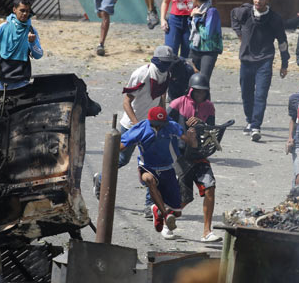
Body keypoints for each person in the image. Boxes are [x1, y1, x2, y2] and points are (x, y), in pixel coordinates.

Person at [93, 45, 175, 219]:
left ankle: (149, 205)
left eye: (169, 63)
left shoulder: (166, 75)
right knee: (121, 160)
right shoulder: (142, 74)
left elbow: (162, 99)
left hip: (152, 126)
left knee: (152, 165)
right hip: (132, 125)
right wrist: (138, 127)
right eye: (165, 63)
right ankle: (100, 178)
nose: (167, 66)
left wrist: (162, 120)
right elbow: (126, 103)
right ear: (157, 61)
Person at [120, 106, 197, 239]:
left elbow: (192, 144)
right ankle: (165, 215)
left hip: (168, 168)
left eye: (162, 125)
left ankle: (158, 212)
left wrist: (192, 137)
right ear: (150, 122)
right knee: (150, 180)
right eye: (156, 125)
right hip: (147, 167)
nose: (159, 128)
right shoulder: (141, 128)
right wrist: (112, 146)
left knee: (177, 212)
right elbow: (121, 145)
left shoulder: (171, 126)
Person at [167, 73, 221, 242]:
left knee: (210, 188)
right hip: (181, 156)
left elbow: (211, 131)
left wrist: (202, 125)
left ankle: (207, 232)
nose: (200, 95)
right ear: (190, 90)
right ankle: (165, 219)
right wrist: (182, 134)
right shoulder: (178, 104)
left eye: (203, 92)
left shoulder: (209, 108)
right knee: (185, 198)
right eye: (196, 92)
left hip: (200, 155)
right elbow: (165, 124)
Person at [231, 0, 290, 141]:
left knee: (261, 94)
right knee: (246, 93)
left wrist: (285, 63)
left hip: (265, 61)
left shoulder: (275, 19)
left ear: (267, 0)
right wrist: (239, 34)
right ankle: (250, 120)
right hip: (246, 60)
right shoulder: (244, 12)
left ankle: (256, 125)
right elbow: (233, 15)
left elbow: (282, 42)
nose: (258, 1)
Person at [0, 0, 43, 90]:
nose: (25, 14)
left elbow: (38, 55)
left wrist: (32, 43)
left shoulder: (31, 31)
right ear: (14, 10)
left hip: (21, 79)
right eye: (22, 10)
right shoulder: (3, 27)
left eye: (27, 11)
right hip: (2, 78)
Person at [188, 0, 223, 79]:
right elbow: (192, 30)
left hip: (208, 51)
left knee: (202, 81)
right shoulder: (196, 10)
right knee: (190, 78)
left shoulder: (212, 12)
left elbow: (206, 35)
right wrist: (191, 18)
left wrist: (197, 19)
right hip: (194, 49)